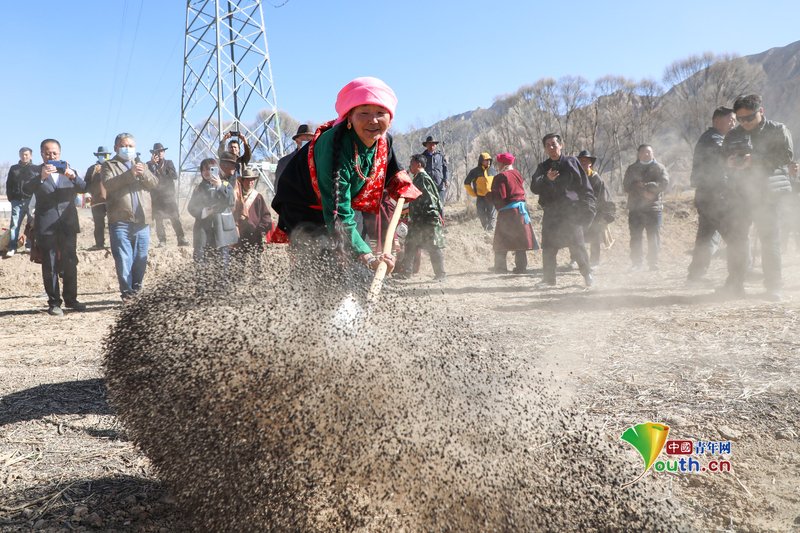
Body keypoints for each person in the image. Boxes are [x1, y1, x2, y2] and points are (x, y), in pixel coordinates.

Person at [271, 76, 419, 274]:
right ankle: (311, 301)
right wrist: (367, 256)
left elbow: (393, 170)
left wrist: (402, 185)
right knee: (322, 265)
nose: (373, 120)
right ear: (349, 117)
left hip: (345, 207)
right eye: (364, 113)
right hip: (305, 207)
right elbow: (338, 215)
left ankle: (352, 300)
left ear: (390, 118)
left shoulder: (384, 141)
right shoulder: (335, 149)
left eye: (380, 113)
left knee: (356, 264)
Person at [718, 94, 794, 301]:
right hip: (740, 193)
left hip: (769, 192)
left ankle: (773, 286)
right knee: (737, 239)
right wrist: (730, 161)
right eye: (740, 119)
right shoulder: (733, 134)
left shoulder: (778, 129)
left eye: (749, 118)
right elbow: (722, 156)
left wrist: (755, 160)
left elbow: (786, 155)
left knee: (769, 239)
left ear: (761, 111)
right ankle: (735, 284)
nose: (745, 122)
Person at [22, 139, 86, 315]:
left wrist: (73, 176)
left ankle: (71, 299)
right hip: (46, 225)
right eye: (48, 153)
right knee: (49, 264)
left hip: (68, 223)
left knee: (70, 262)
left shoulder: (67, 168)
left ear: (60, 153)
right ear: (42, 154)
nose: (51, 156)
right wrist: (41, 177)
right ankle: (54, 302)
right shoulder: (34, 171)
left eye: (55, 153)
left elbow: (84, 187)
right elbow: (26, 190)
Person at [531, 134, 595, 288]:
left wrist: (588, 205)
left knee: (577, 244)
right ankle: (549, 279)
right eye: (547, 145)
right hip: (551, 212)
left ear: (561, 145)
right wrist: (547, 179)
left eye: (554, 144)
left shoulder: (571, 162)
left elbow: (584, 186)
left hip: (571, 211)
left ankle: (587, 275)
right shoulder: (543, 167)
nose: (551, 148)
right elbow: (534, 187)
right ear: (545, 149)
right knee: (548, 246)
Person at [102, 133, 159, 302]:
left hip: (142, 220)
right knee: (124, 258)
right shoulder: (109, 166)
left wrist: (142, 173)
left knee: (141, 258)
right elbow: (108, 185)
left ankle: (137, 290)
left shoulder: (141, 165)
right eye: (124, 146)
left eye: (131, 146)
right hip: (120, 220)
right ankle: (127, 294)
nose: (128, 149)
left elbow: (154, 183)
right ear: (116, 148)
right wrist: (130, 174)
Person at [687, 107, 737, 282]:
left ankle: (695, 276)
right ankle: (742, 271)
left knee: (706, 238)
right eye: (730, 120)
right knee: (735, 235)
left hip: (709, 196)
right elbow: (722, 153)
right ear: (717, 121)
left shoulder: (716, 138)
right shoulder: (712, 139)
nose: (734, 123)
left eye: (734, 120)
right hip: (714, 197)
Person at [395, 154, 445, 280]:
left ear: (418, 165)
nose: (410, 166)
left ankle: (440, 274)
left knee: (433, 246)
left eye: (412, 164)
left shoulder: (423, 178)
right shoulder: (418, 178)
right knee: (411, 244)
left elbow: (430, 200)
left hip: (427, 219)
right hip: (418, 220)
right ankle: (406, 272)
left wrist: (430, 220)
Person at [623, 144, 669, 271]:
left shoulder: (659, 167)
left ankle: (653, 263)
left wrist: (651, 188)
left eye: (649, 152)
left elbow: (664, 183)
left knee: (653, 237)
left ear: (653, 153)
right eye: (643, 152)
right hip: (635, 208)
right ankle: (636, 263)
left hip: (653, 208)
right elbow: (626, 186)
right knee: (636, 236)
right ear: (638, 154)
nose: (646, 154)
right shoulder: (632, 168)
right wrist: (642, 192)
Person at [491, 152, 538, 274]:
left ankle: (500, 268)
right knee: (520, 241)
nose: (496, 165)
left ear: (502, 163)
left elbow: (501, 196)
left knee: (501, 241)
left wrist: (488, 195)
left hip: (508, 213)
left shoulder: (501, 176)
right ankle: (521, 268)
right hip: (521, 211)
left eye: (498, 163)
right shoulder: (517, 174)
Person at [188, 156, 236, 263]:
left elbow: (230, 201)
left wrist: (219, 186)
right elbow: (191, 207)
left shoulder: (225, 184)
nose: (206, 172)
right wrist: (203, 212)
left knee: (222, 264)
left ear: (216, 169)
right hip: (203, 231)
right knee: (201, 263)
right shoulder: (198, 188)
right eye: (203, 170)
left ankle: (222, 280)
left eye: (209, 169)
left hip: (221, 231)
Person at [577, 150, 615, 267]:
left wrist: (607, 213)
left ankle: (594, 261)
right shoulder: (575, 177)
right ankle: (576, 260)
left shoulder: (596, 178)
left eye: (585, 161)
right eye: (580, 161)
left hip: (595, 212)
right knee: (576, 237)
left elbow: (604, 196)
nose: (583, 163)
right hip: (578, 212)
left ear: (590, 164)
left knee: (595, 237)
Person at [147, 142, 189, 248]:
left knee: (175, 217)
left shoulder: (169, 163)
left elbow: (174, 176)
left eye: (161, 151)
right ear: (153, 153)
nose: (160, 153)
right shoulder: (148, 164)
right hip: (156, 197)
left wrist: (161, 170)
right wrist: (152, 165)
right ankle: (162, 240)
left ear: (164, 152)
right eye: (157, 152)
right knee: (158, 220)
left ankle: (181, 238)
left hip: (168, 196)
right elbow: (148, 178)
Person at [3, 147, 37, 257]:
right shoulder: (14, 169)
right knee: (14, 224)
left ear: (30, 155)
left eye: (26, 154)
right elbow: (9, 184)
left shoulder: (35, 169)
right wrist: (11, 198)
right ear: (19, 155)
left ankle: (29, 246)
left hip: (31, 200)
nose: (24, 156)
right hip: (16, 201)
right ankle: (12, 247)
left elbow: (38, 185)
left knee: (31, 224)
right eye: (22, 154)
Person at [234, 167, 272, 254]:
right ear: (242, 181)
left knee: (255, 264)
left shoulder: (258, 197)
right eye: (247, 180)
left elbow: (266, 216)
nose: (250, 182)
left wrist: (261, 229)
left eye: (252, 180)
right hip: (239, 234)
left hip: (255, 235)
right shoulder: (236, 196)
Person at [84, 146, 112, 250]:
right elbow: (86, 183)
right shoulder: (92, 169)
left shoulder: (113, 167)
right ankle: (99, 244)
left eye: (106, 155)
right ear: (98, 155)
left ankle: (115, 243)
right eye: (102, 155)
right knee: (99, 224)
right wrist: (87, 194)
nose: (104, 157)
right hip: (97, 200)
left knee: (113, 223)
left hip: (112, 200)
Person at [463, 152, 496, 231]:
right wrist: (473, 193)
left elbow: (497, 182)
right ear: (481, 161)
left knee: (491, 214)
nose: (488, 162)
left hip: (491, 196)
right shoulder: (475, 171)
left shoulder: (493, 170)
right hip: (480, 197)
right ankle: (485, 226)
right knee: (481, 213)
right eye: (486, 160)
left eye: (489, 160)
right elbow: (466, 183)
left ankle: (491, 229)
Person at [420, 135, 448, 209]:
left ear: (435, 145)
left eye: (433, 144)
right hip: (427, 186)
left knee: (440, 207)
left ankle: (441, 220)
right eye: (429, 144)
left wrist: (445, 180)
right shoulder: (422, 157)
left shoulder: (440, 156)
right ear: (426, 145)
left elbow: (445, 169)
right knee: (429, 208)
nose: (431, 146)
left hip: (439, 185)